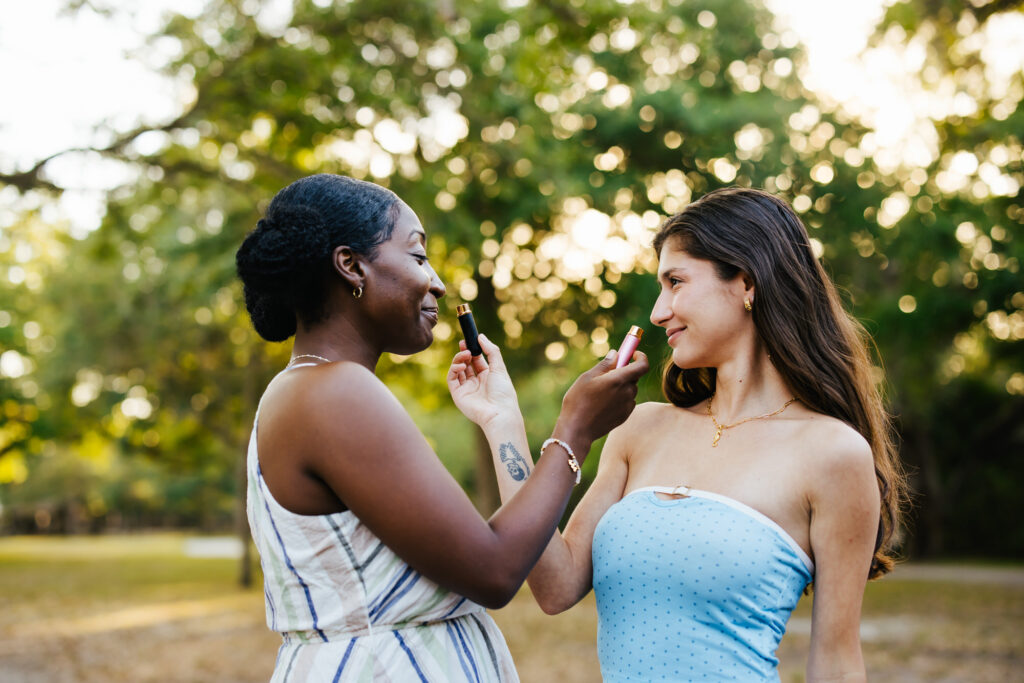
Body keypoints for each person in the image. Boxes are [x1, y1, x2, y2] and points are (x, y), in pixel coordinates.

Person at [234, 173, 649, 682]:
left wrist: (502, 421)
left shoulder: (308, 388)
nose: (437, 282)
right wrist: (576, 430)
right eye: (417, 255)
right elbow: (495, 571)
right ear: (351, 265)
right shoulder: (335, 392)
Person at [485, 187, 908, 681]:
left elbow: (836, 662)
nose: (658, 311)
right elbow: (554, 587)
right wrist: (502, 422)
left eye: (676, 282)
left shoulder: (833, 453)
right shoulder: (639, 428)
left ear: (747, 282)